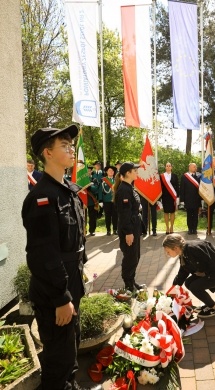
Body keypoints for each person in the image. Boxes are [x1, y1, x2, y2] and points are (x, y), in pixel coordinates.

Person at [22, 125, 102, 390]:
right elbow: (42, 254)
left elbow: (75, 239)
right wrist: (61, 298)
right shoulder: (42, 197)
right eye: (64, 146)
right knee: (58, 358)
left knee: (70, 347)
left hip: (70, 281)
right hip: (54, 290)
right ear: (47, 153)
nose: (71, 150)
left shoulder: (68, 189)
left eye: (71, 145)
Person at [163, 233, 215, 318]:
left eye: (168, 251)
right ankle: (208, 304)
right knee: (188, 282)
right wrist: (173, 290)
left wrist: (205, 274)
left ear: (175, 248)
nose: (167, 254)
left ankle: (214, 308)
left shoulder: (193, 249)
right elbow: (183, 272)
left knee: (195, 287)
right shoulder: (183, 252)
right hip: (213, 270)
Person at [113, 162, 145, 291]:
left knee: (135, 256)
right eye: (135, 171)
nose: (137, 173)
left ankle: (132, 281)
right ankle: (128, 285)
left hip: (134, 227)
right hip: (129, 229)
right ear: (127, 173)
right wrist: (128, 232)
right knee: (130, 257)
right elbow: (124, 213)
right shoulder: (124, 190)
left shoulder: (129, 187)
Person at [180, 163, 202, 235]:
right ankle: (189, 229)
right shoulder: (184, 176)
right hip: (188, 199)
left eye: (196, 167)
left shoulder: (199, 176)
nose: (195, 168)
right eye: (193, 167)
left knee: (195, 215)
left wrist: (202, 199)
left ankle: (195, 229)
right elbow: (182, 189)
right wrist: (182, 200)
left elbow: (201, 188)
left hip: (196, 199)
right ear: (189, 167)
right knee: (189, 215)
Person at [160, 162, 179, 234]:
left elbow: (177, 187)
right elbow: (160, 187)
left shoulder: (175, 176)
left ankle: (172, 227)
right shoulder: (162, 176)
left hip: (173, 197)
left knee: (172, 212)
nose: (168, 167)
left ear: (171, 167)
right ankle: (167, 228)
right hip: (165, 197)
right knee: (166, 212)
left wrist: (177, 197)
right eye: (167, 166)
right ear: (165, 167)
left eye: (169, 166)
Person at [100, 165, 117, 235]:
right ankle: (108, 230)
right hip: (106, 200)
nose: (111, 172)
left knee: (115, 216)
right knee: (107, 216)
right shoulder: (103, 180)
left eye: (112, 171)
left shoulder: (116, 180)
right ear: (106, 172)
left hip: (115, 201)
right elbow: (100, 190)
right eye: (109, 171)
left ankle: (115, 229)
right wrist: (100, 200)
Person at [86, 166, 99, 236]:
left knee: (92, 217)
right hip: (83, 200)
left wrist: (90, 186)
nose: (88, 172)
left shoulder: (94, 179)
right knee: (82, 217)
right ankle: (83, 230)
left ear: (91, 171)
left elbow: (96, 189)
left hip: (91, 200)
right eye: (86, 171)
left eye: (89, 171)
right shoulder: (80, 179)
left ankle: (92, 230)